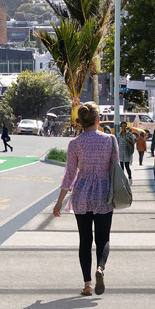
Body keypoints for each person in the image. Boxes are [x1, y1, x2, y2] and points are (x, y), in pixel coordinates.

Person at [52, 102, 116, 296]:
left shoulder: (75, 143)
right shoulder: (110, 140)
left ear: (81, 122)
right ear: (98, 120)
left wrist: (59, 202)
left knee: (85, 240)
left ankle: (87, 285)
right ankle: (100, 268)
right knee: (103, 238)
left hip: (82, 194)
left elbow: (69, 175)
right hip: (104, 193)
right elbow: (116, 169)